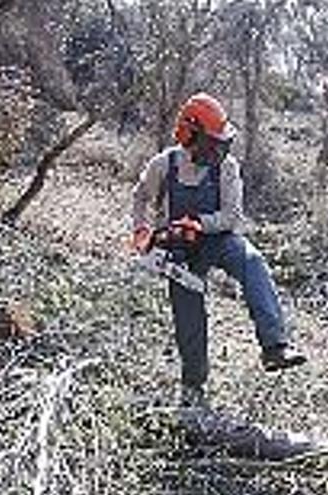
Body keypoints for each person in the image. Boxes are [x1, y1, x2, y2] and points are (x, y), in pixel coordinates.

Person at [131, 93, 306, 407]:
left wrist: (200, 223)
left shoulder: (226, 167)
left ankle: (274, 345)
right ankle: (193, 390)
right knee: (189, 322)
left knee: (251, 261)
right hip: (179, 250)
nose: (219, 151)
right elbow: (141, 195)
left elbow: (233, 216)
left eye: (221, 143)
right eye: (212, 143)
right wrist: (142, 229)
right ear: (189, 135)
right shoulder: (164, 164)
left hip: (217, 239)